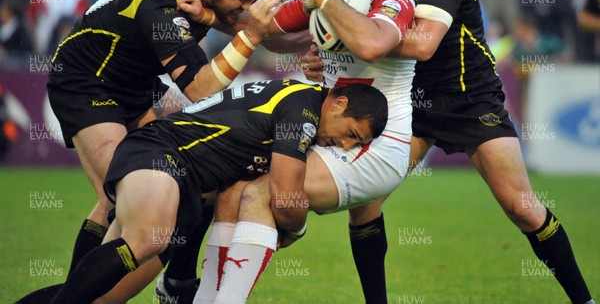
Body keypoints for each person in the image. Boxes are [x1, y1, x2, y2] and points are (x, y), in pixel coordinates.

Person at [16, 0, 281, 304]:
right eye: (243, 0)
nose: (248, 9)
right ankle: (86, 297)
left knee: (175, 190)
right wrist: (250, 34)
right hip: (86, 80)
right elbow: (202, 90)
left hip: (133, 84)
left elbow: (242, 22)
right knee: (134, 207)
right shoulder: (160, 5)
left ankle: (169, 285)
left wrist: (221, 20)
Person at [377, 0, 594, 304]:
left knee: (522, 207)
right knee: (365, 203)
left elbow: (422, 43)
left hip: (470, 99)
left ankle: (584, 301)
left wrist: (359, 41)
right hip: (412, 103)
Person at [193, 0, 416, 304]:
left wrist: (324, 2)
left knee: (262, 193)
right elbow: (269, 33)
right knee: (231, 189)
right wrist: (211, 18)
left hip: (375, 144)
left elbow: (370, 43)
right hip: (327, 127)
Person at [48, 78, 389, 303]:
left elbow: (239, 188)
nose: (344, 146)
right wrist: (297, 229)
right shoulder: (303, 109)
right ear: (338, 104)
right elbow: (285, 196)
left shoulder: (299, 105)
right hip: (159, 152)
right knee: (148, 238)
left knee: (103, 296)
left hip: (180, 181)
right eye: (352, 134)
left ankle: (179, 287)